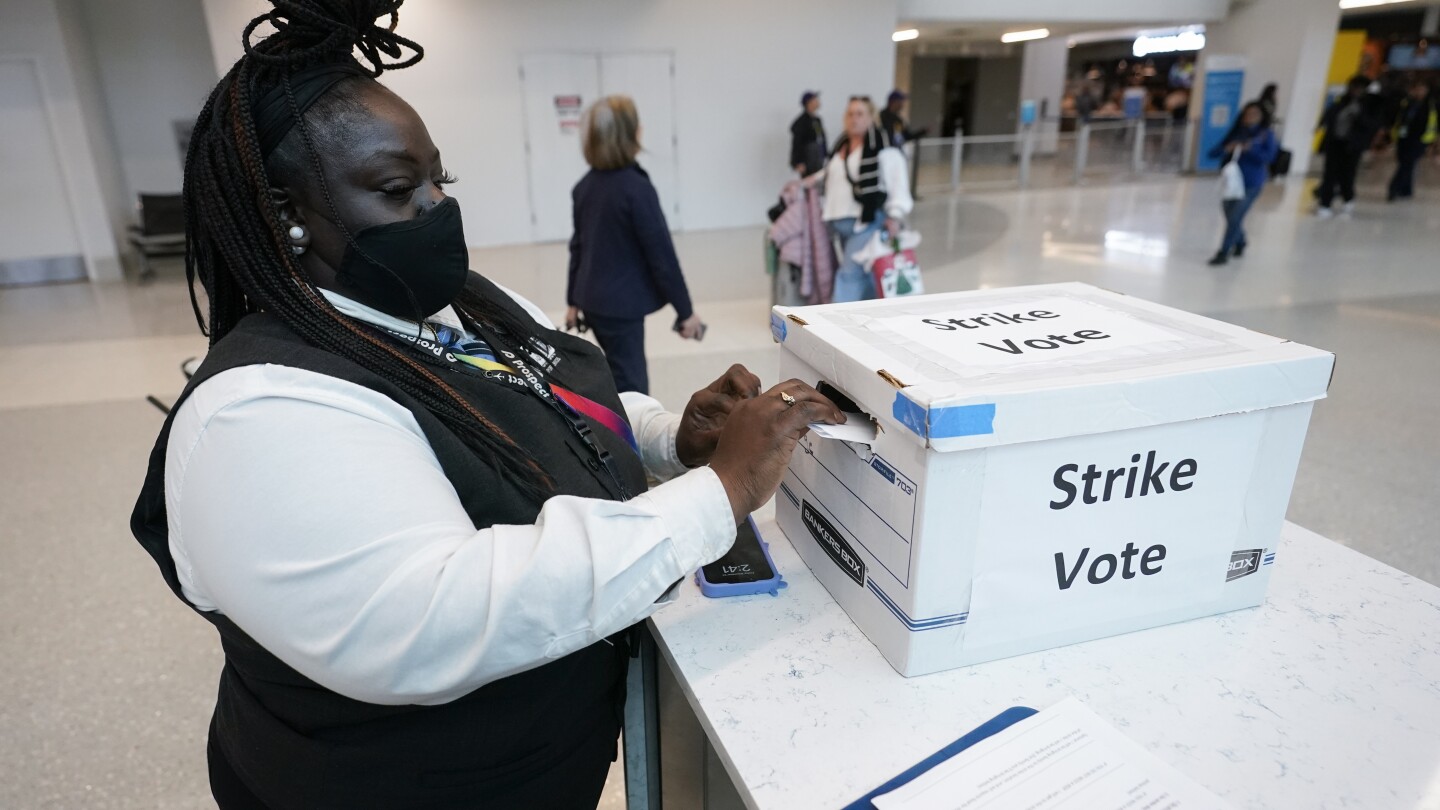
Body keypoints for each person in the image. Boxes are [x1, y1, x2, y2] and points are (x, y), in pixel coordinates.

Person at [129, 3, 843, 807]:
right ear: (288, 214)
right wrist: (716, 493)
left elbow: (549, 395)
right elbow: (436, 616)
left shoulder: (462, 301)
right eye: (400, 189)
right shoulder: (261, 411)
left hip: (546, 760)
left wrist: (669, 439)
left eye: (443, 178)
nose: (437, 206)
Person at [566, 95, 701, 395]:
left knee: (616, 372)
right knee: (632, 384)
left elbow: (578, 247)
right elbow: (662, 256)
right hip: (620, 307)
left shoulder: (584, 187)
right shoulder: (637, 190)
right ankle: (629, 440)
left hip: (592, 300)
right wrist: (686, 312)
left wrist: (573, 300)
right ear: (632, 135)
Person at [811, 96, 914, 302]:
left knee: (849, 273)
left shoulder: (883, 147)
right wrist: (808, 181)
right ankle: (870, 315)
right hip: (839, 221)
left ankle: (837, 324)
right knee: (863, 272)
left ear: (871, 118)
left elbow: (897, 181)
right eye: (850, 114)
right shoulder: (841, 145)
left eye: (860, 114)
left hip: (866, 222)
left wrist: (895, 214)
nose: (854, 119)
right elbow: (831, 173)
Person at [1207, 102, 1278, 266]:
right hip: (1231, 183)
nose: (1250, 117)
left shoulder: (1266, 135)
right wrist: (1228, 148)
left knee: (1235, 216)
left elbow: (1269, 157)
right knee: (1230, 214)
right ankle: (1241, 241)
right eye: (1247, 113)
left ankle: (1223, 251)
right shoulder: (1236, 133)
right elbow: (1213, 152)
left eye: (1254, 114)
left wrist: (1249, 149)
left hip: (1252, 183)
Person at [1315, 76, 1384, 218]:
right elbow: (1330, 116)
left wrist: (1358, 116)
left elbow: (1371, 124)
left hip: (1353, 146)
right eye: (1354, 87)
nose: (1356, 90)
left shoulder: (1370, 105)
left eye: (1360, 88)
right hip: (1335, 143)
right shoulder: (1341, 102)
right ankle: (1325, 204)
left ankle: (1348, 200)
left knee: (1347, 175)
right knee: (1329, 174)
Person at [1387, 79, 1437, 202]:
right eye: (1417, 88)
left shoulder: (1431, 105)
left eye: (1422, 89)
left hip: (1420, 139)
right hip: (1403, 138)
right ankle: (1406, 190)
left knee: (1407, 163)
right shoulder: (1406, 103)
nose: (1419, 91)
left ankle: (1393, 188)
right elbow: (1397, 118)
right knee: (1406, 163)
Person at [790, 90, 827, 175]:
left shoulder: (817, 120)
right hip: (808, 160)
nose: (818, 102)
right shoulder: (801, 122)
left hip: (819, 158)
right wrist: (798, 162)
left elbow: (821, 138)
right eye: (815, 99)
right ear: (808, 103)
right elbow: (797, 143)